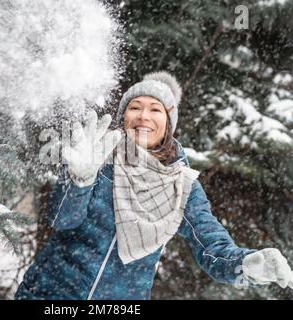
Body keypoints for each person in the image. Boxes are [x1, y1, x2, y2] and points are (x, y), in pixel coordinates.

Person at [15, 71, 293, 300]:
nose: (143, 116)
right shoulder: (97, 156)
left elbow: (211, 246)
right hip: (48, 294)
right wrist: (79, 180)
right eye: (134, 107)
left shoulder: (182, 186)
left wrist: (243, 263)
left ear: (169, 124)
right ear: (124, 117)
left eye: (155, 109)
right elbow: (62, 220)